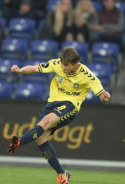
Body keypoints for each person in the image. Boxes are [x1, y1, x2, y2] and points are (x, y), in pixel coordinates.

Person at [8, 47, 110, 184]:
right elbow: (35, 68)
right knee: (40, 138)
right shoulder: (57, 64)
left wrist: (104, 97)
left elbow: (102, 95)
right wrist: (19, 70)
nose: (63, 67)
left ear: (76, 65)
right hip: (52, 103)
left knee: (46, 122)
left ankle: (20, 141)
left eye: (66, 65)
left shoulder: (87, 75)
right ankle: (62, 174)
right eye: (62, 63)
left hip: (70, 105)